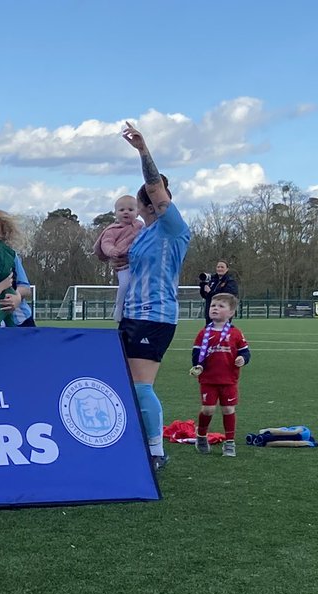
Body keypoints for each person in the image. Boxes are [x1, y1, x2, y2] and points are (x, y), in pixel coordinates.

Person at [119, 123, 192, 472]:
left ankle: (155, 451)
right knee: (127, 383)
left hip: (156, 316)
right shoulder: (144, 235)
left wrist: (143, 150)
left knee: (140, 385)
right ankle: (136, 440)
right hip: (132, 315)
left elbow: (154, 187)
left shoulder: (173, 226)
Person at [189, 293, 250, 457]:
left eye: (221, 306)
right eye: (213, 305)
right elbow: (196, 354)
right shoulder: (203, 333)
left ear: (231, 313)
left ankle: (229, 442)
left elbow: (245, 352)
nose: (215, 308)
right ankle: (201, 436)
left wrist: (242, 359)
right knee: (208, 410)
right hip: (208, 379)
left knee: (228, 409)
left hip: (229, 379)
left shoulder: (236, 333)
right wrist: (198, 366)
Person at [92, 195, 142, 322]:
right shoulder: (112, 230)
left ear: (137, 212)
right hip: (123, 265)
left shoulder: (141, 227)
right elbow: (106, 243)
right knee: (125, 285)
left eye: (131, 209)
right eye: (122, 210)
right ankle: (119, 309)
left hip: (139, 264)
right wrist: (111, 251)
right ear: (116, 213)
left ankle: (135, 310)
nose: (126, 212)